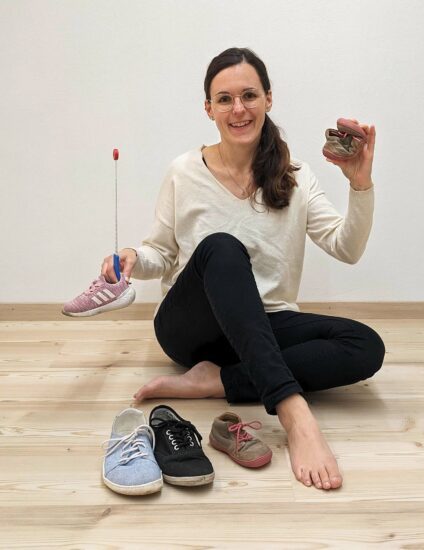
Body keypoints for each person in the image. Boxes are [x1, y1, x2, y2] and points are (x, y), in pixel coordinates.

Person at [101, 47, 385, 491]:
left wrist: (360, 184)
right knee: (221, 248)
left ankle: (220, 380)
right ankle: (294, 413)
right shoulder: (183, 172)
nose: (238, 109)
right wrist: (134, 258)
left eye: (249, 95)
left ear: (268, 98)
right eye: (225, 99)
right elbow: (161, 252)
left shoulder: (296, 175)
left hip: (264, 326)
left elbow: (346, 248)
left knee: (365, 345)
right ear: (209, 108)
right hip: (191, 329)